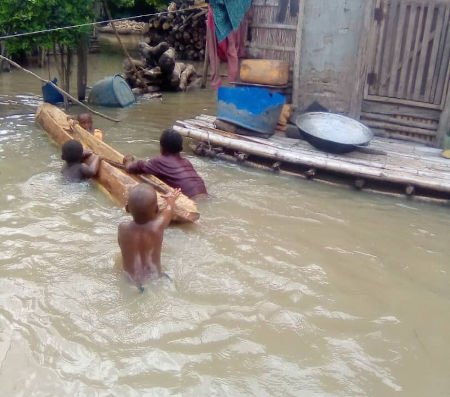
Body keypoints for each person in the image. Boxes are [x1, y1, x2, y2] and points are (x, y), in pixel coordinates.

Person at [118, 183, 181, 290]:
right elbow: (169, 210)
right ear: (156, 210)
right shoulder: (158, 226)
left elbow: (122, 248)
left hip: (131, 281)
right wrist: (172, 199)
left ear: (127, 208)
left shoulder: (122, 228)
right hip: (155, 279)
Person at [123, 128, 207, 200]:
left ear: (162, 147)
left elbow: (130, 168)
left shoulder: (158, 161)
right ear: (180, 148)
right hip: (205, 195)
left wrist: (128, 160)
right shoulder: (186, 162)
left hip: (191, 201)